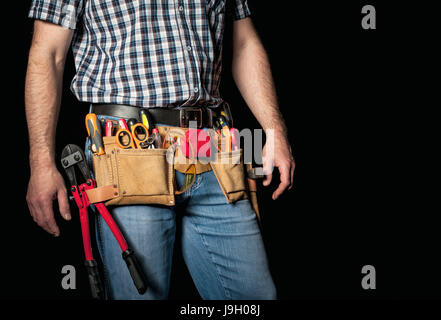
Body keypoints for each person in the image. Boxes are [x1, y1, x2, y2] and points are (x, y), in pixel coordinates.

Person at [25, 0, 295, 300]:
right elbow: (47, 54)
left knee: (254, 298)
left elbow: (244, 43)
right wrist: (41, 163)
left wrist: (274, 130)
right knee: (141, 296)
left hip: (212, 148)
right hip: (127, 153)